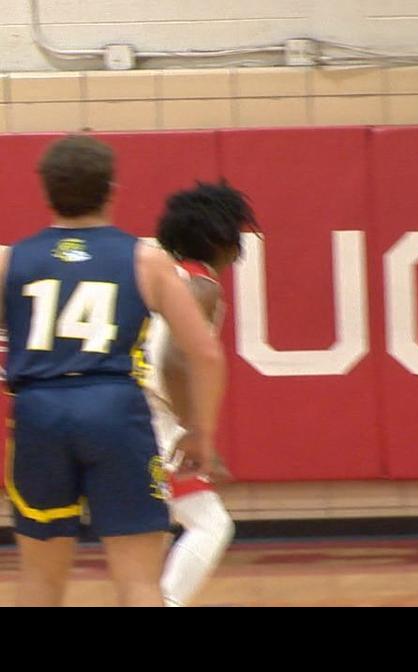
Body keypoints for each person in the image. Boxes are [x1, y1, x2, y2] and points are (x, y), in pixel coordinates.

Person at [1, 135, 225, 606]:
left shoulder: (10, 260)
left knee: (40, 583)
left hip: (39, 412)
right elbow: (203, 353)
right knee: (139, 583)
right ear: (112, 188)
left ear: (46, 191)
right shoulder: (146, 259)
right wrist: (200, 432)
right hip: (115, 411)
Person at [144, 180, 258, 607]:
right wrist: (193, 431)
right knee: (211, 524)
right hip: (150, 416)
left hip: (121, 408)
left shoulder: (154, 274)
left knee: (149, 533)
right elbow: (173, 360)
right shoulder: (201, 285)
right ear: (220, 239)